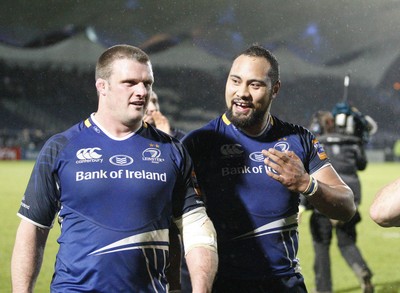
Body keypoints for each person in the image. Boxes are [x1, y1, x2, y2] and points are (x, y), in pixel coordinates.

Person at [11, 44, 218, 293]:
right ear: (103, 86)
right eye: (130, 82)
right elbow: (33, 229)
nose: (142, 91)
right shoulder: (61, 148)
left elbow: (197, 227)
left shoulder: (172, 150)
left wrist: (200, 289)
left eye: (147, 83)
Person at [181, 44, 356, 292]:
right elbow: (175, 225)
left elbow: (347, 207)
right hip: (224, 285)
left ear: (275, 90)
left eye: (255, 85)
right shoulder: (199, 143)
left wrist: (307, 184)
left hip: (285, 285)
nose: (242, 93)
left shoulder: (299, 139)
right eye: (235, 81)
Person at [304, 110, 374, 293]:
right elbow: (362, 164)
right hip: (348, 201)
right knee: (346, 243)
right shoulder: (351, 142)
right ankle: (361, 269)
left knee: (321, 248)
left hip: (323, 202)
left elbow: (309, 175)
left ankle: (324, 289)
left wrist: (303, 205)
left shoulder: (316, 143)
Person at [144, 90, 186, 292]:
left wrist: (166, 138)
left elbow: (177, 183)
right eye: (147, 102)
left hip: (172, 248)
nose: (152, 108)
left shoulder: (180, 140)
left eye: (155, 102)